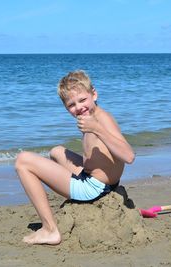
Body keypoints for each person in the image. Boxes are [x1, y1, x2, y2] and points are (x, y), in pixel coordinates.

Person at [15, 70, 135, 245]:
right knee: (57, 151)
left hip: (94, 189)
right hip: (103, 181)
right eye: (71, 105)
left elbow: (129, 156)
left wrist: (96, 129)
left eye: (82, 100)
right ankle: (71, 191)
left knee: (22, 160)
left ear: (94, 94)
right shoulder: (94, 116)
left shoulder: (101, 121)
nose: (78, 107)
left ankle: (50, 230)